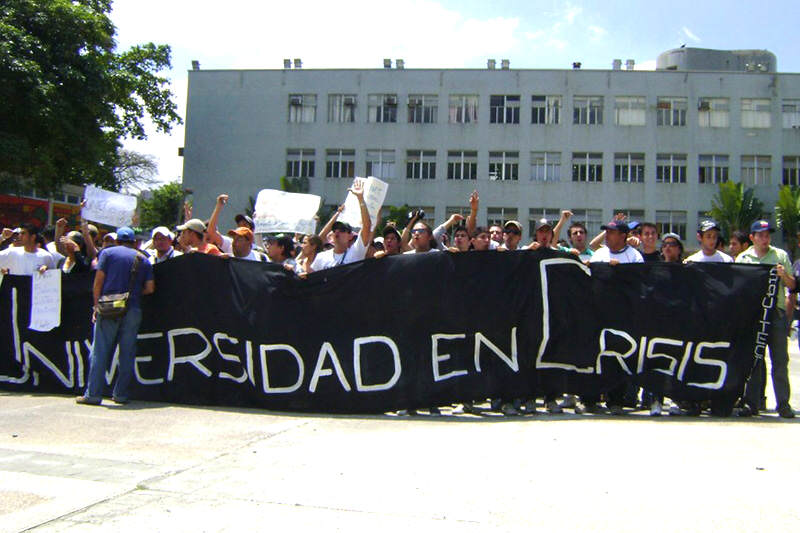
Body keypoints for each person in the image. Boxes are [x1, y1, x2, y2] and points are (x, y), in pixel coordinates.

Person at [76, 227, 155, 406]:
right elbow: (150, 288)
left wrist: (96, 305)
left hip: (110, 306)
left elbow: (98, 281)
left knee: (100, 351)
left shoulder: (108, 253)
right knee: (127, 353)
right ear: (134, 242)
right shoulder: (143, 259)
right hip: (133, 308)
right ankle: (120, 395)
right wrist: (132, 295)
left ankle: (93, 394)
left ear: (117, 240)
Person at [735, 220, 796, 418]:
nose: (765, 238)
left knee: (779, 360)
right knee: (755, 361)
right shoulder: (744, 258)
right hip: (754, 315)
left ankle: (783, 404)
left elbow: (793, 285)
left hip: (775, 314)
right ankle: (753, 403)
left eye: (767, 234)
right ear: (752, 237)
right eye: (760, 235)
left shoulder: (780, 255)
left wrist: (783, 275)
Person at [310, 182, 372, 270]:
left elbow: (367, 226)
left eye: (342, 229)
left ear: (350, 236)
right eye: (335, 229)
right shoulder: (321, 258)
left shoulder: (356, 253)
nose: (337, 231)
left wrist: (360, 198)